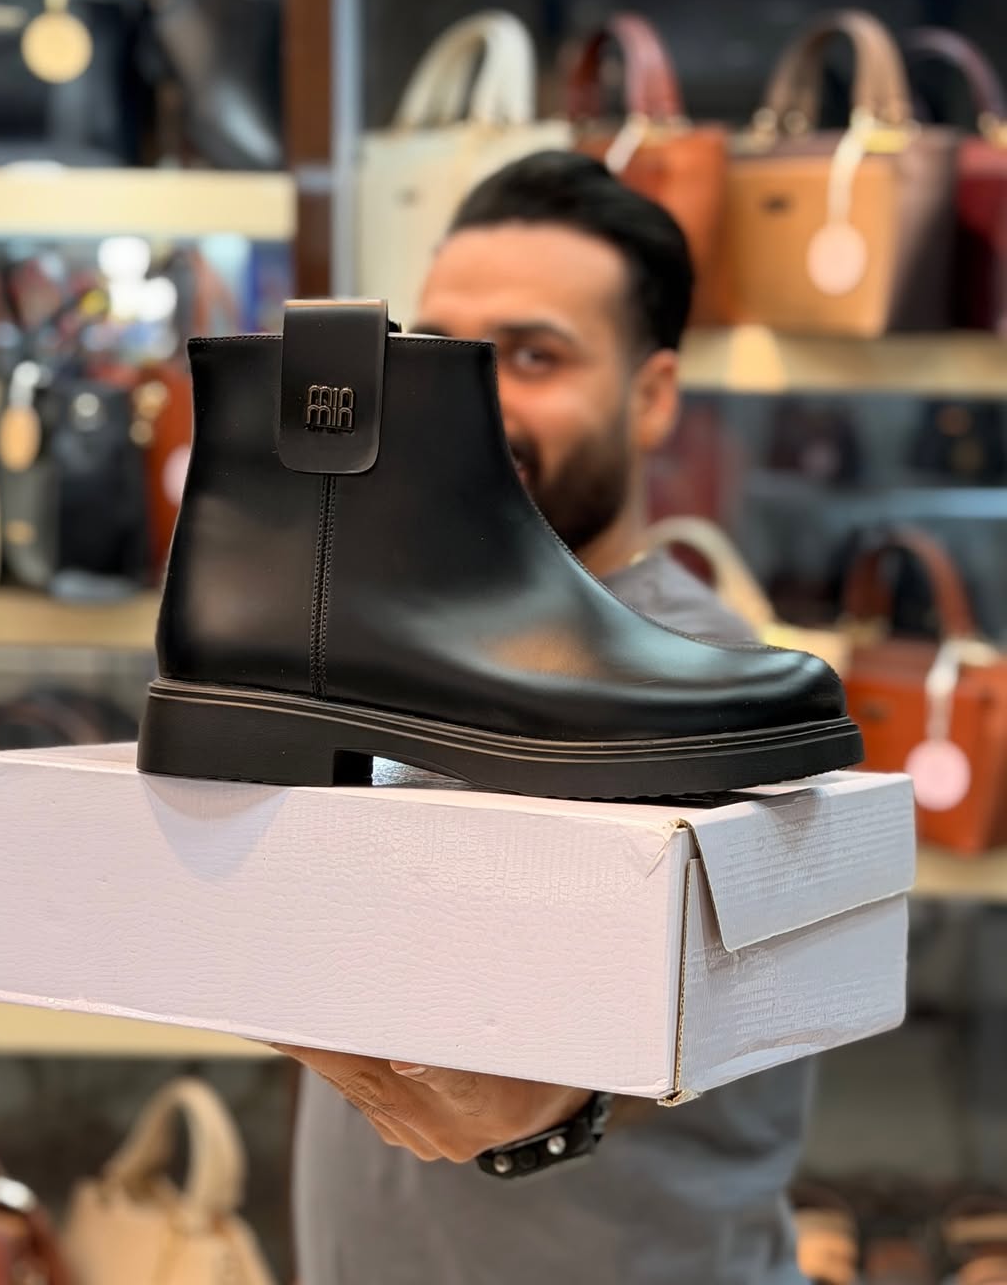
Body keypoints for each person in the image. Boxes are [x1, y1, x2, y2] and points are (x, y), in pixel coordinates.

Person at [282, 151, 810, 1285]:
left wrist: (558, 1093)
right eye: (436, 352)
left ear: (652, 396)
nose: (469, 401)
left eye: (532, 356)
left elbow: (737, 1000)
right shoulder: (379, 649)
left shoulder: (715, 689)